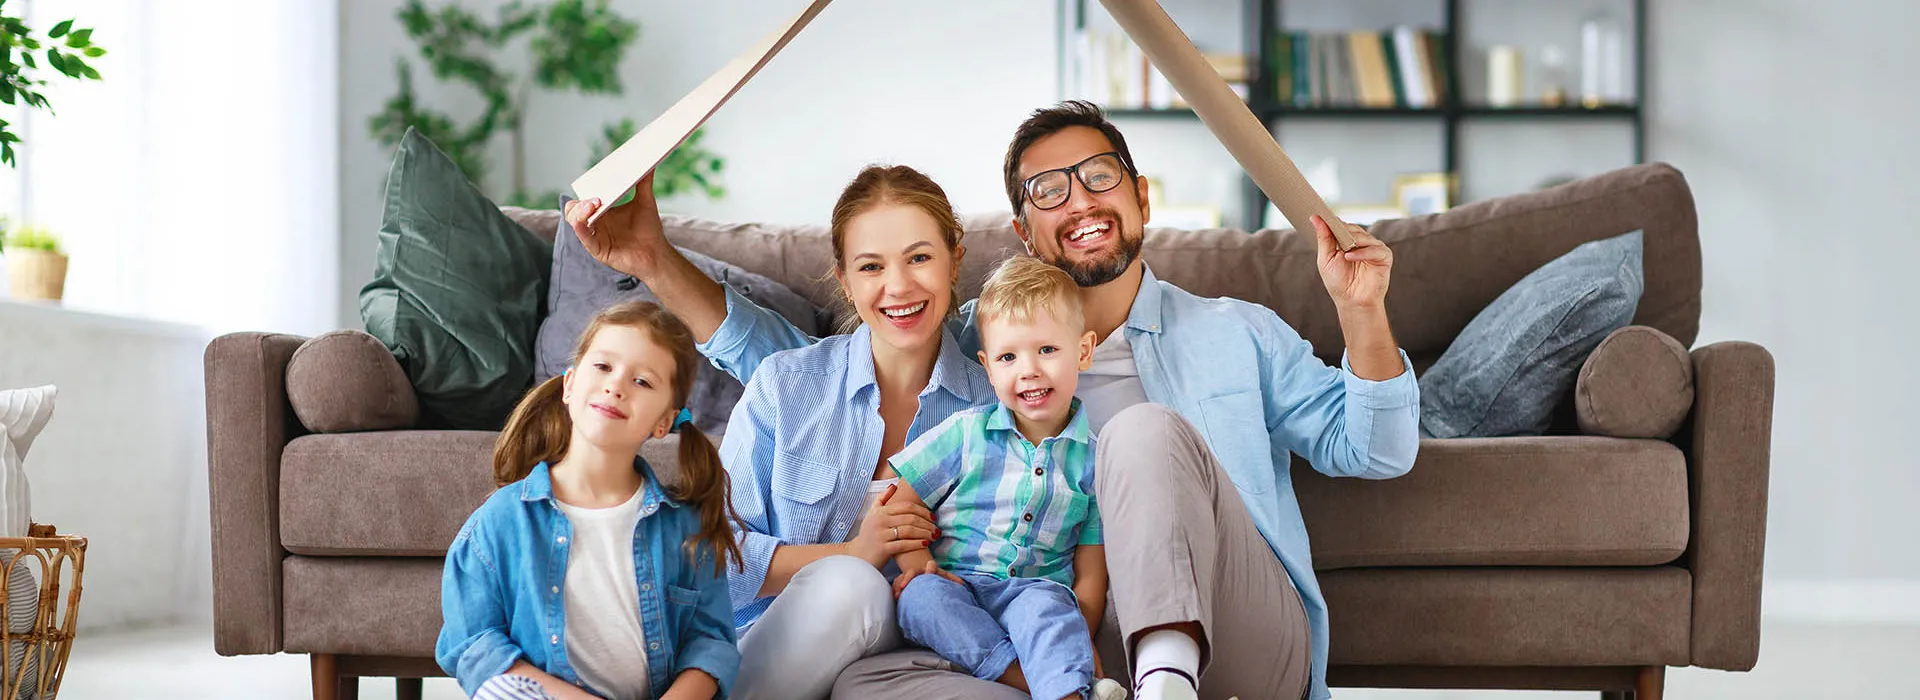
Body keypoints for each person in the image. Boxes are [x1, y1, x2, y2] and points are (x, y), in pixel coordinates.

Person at [566, 100, 1420, 700]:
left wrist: (1361, 313)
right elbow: (821, 371)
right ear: (1020, 233)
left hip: (1231, 636)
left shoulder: (1238, 331)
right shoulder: (991, 349)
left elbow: (1375, 449)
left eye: (1099, 177)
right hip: (1048, 638)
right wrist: (652, 260)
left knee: (1142, 437)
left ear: (1140, 195)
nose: (1079, 200)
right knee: (871, 677)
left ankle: (1162, 678)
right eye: (1049, 191)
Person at [436, 301, 742, 700]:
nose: (616, 385)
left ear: (664, 421)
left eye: (642, 382)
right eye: (603, 367)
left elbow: (711, 645)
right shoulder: (500, 520)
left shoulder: (685, 528)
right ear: (569, 385)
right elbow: (473, 644)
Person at [887, 256, 1128, 700]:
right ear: (988, 366)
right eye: (1008, 357)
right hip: (960, 584)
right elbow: (902, 502)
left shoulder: (1096, 461)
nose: (1029, 369)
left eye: (1048, 350)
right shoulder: (964, 434)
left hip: (1035, 593)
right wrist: (918, 566)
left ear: (1084, 351)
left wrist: (1080, 632)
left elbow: (1091, 572)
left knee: (1051, 609)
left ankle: (1064, 687)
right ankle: (1034, 680)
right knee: (920, 600)